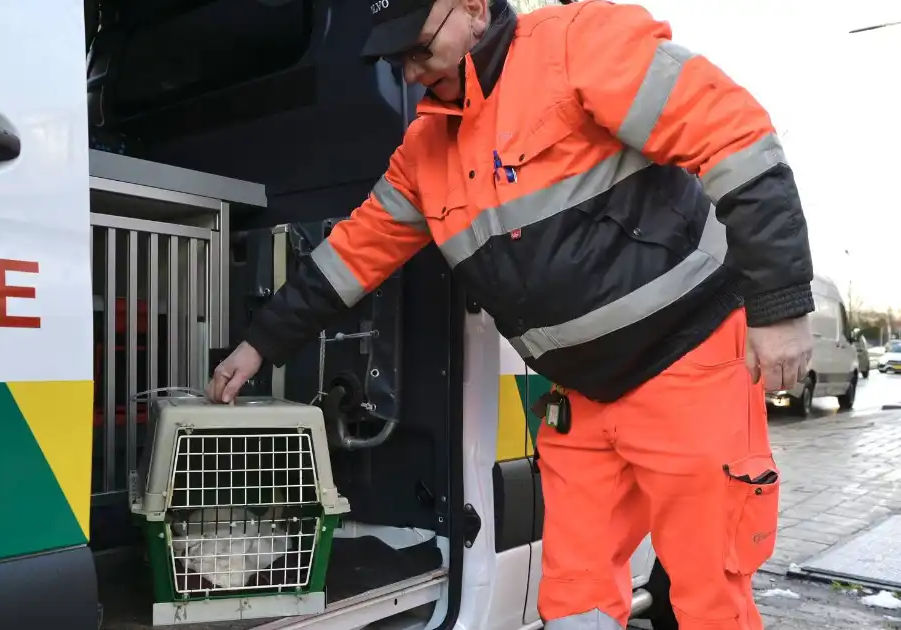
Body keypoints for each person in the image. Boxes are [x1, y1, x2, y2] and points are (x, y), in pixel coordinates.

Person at [207, 0, 814, 628]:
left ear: (471, 7)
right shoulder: (423, 154)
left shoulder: (577, 45)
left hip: (687, 366)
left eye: (417, 49)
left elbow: (736, 138)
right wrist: (258, 345)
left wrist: (780, 304)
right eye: (396, 61)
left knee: (709, 595)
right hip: (581, 397)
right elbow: (351, 258)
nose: (411, 74)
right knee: (574, 599)